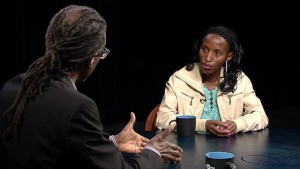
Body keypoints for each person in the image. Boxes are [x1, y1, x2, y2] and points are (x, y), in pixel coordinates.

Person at [0, 5, 183, 169]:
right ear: (92, 59)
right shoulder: (77, 106)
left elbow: (51, 148)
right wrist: (152, 152)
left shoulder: (14, 86)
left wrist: (110, 142)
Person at [156, 26, 269, 137]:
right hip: (187, 148)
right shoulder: (179, 79)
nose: (208, 58)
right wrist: (203, 125)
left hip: (228, 148)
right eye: (204, 49)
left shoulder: (240, 80)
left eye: (217, 53)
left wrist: (237, 124)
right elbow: (163, 119)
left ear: (228, 57)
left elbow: (260, 116)